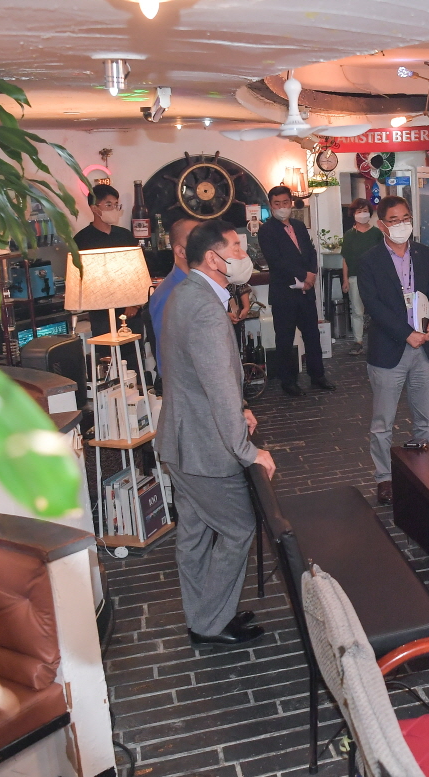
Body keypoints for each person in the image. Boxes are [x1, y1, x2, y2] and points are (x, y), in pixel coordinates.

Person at [156, 219, 276, 647]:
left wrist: (240, 407)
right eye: (237, 249)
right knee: (239, 528)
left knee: (193, 535)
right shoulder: (206, 308)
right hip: (204, 448)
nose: (245, 256)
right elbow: (220, 387)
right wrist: (247, 451)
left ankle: (205, 615)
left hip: (181, 439)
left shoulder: (184, 292)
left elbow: (203, 376)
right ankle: (209, 621)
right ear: (213, 258)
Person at [361, 196, 429, 505]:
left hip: (424, 347)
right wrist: (407, 334)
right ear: (381, 225)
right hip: (389, 349)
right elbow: (374, 306)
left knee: (425, 418)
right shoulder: (370, 260)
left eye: (406, 218)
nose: (401, 224)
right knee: (383, 422)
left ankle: (427, 473)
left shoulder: (423, 254)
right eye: (394, 220)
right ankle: (384, 477)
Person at [258, 185, 335, 395]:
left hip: (306, 293)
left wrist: (311, 275)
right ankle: (288, 382)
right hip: (284, 294)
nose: (282, 207)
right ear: (271, 205)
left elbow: (310, 252)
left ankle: (318, 376)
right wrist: (304, 276)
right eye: (277, 204)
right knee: (285, 339)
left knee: (312, 336)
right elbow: (276, 261)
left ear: (291, 203)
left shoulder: (299, 226)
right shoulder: (266, 231)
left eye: (285, 202)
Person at [74, 184, 144, 371]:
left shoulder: (125, 236)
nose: (114, 209)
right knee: (108, 360)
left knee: (134, 359)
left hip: (130, 310)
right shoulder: (82, 240)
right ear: (94, 208)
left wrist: (135, 304)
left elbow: (138, 273)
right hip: (101, 312)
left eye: (116, 205)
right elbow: (82, 278)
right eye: (108, 205)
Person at [147, 217, 199, 383]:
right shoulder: (170, 293)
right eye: (196, 241)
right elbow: (169, 353)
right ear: (181, 251)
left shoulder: (195, 285)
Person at [340, 198, 381, 355]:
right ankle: (358, 342)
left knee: (377, 310)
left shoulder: (376, 233)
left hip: (375, 278)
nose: (362, 214)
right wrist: (345, 279)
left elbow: (383, 256)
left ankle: (378, 342)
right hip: (355, 277)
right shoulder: (349, 235)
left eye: (365, 211)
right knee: (357, 311)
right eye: (359, 211)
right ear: (353, 214)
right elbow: (345, 259)